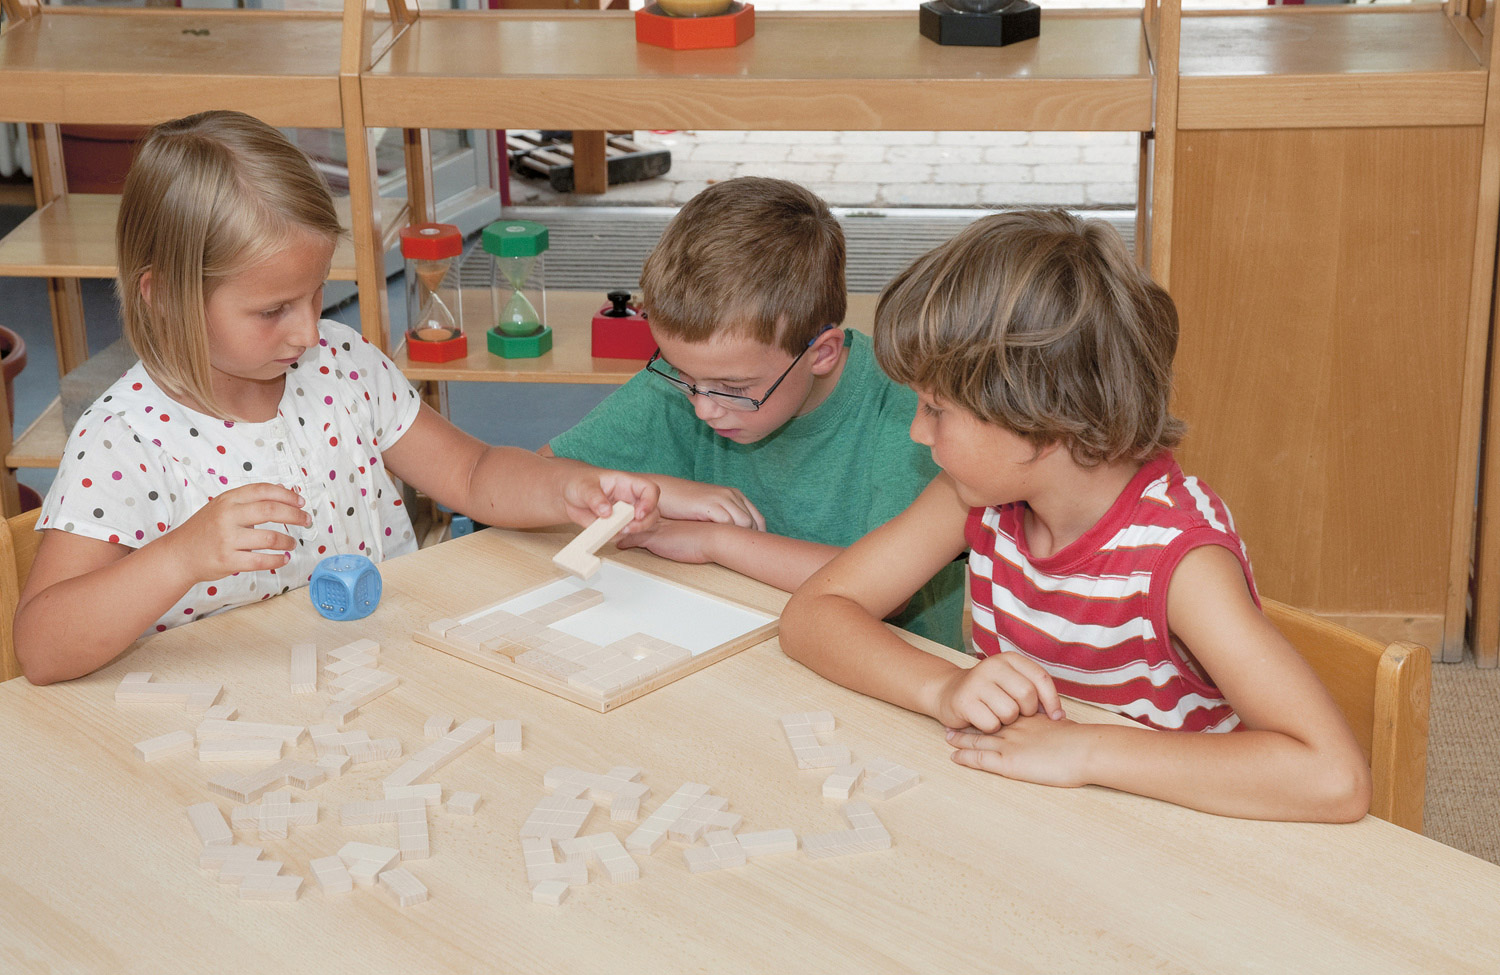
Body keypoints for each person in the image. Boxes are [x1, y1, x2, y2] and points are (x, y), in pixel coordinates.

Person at [14, 111, 658, 685]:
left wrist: (560, 488)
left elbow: (471, 471)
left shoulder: (341, 365)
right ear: (163, 296)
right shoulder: (124, 439)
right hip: (226, 726)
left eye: (316, 293)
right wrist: (178, 556)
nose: (306, 329)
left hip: (378, 683)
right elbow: (41, 649)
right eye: (272, 309)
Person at [780, 209, 1371, 823]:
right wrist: (941, 688)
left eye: (936, 409)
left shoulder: (1181, 561)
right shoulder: (978, 497)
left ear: (1038, 417)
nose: (916, 431)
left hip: (1168, 837)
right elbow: (814, 614)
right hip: (1035, 815)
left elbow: (1334, 778)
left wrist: (1087, 750)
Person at [542, 177, 963, 648]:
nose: (703, 407)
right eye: (681, 373)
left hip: (880, 663)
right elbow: (537, 476)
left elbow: (884, 590)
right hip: (724, 639)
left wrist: (713, 542)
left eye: (734, 389)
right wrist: (664, 492)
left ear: (820, 353)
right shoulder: (695, 374)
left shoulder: (907, 410)